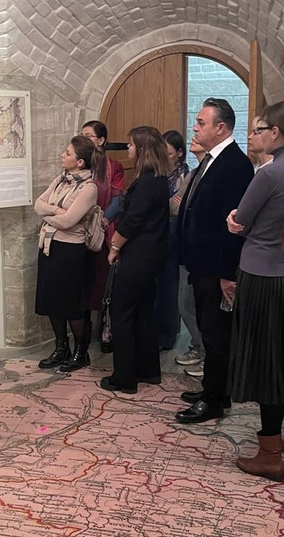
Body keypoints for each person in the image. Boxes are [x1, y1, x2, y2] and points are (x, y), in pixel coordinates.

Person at [224, 101, 284, 482]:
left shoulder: (270, 173)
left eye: (260, 129)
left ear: (276, 133)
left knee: (268, 364)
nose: (256, 135)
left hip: (262, 275)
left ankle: (270, 454)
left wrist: (233, 221)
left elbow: (241, 220)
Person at [175, 98, 255, 424]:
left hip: (216, 266)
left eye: (201, 123)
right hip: (201, 264)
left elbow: (234, 225)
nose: (194, 128)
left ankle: (214, 401)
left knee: (216, 333)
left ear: (220, 128)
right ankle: (214, 390)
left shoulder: (235, 164)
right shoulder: (210, 160)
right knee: (209, 331)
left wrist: (226, 272)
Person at [99, 126, 170, 394]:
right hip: (151, 257)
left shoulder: (146, 183)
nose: (128, 149)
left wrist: (114, 247)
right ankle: (148, 370)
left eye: (130, 145)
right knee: (142, 313)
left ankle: (124, 377)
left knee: (123, 314)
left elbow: (132, 221)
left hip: (138, 256)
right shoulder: (158, 179)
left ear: (141, 149)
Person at [33, 136, 98, 372]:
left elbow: (69, 221)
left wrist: (51, 215)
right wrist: (56, 211)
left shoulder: (89, 188)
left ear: (80, 162)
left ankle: (81, 352)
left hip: (70, 250)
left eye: (68, 153)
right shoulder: (61, 180)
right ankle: (61, 347)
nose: (63, 155)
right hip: (49, 246)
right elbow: (38, 205)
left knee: (70, 303)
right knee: (52, 300)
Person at [80, 121, 125, 354]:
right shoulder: (79, 164)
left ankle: (107, 332)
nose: (85, 139)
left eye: (89, 136)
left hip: (104, 231)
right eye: (82, 135)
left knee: (105, 284)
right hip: (79, 230)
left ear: (101, 140)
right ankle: (82, 333)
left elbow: (117, 199)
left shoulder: (113, 167)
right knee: (83, 284)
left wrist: (102, 220)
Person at [172, 141, 208, 377]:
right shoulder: (193, 174)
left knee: (199, 305)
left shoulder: (215, 172)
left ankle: (205, 352)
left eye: (201, 126)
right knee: (185, 303)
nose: (195, 133)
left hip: (204, 248)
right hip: (187, 246)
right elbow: (177, 205)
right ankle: (199, 345)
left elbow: (182, 206)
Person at [153, 130, 190, 352]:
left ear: (179, 153)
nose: (164, 157)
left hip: (172, 234)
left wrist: (157, 205)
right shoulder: (157, 173)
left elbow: (176, 206)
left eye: (168, 153)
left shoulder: (184, 175)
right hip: (155, 233)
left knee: (169, 285)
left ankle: (167, 335)